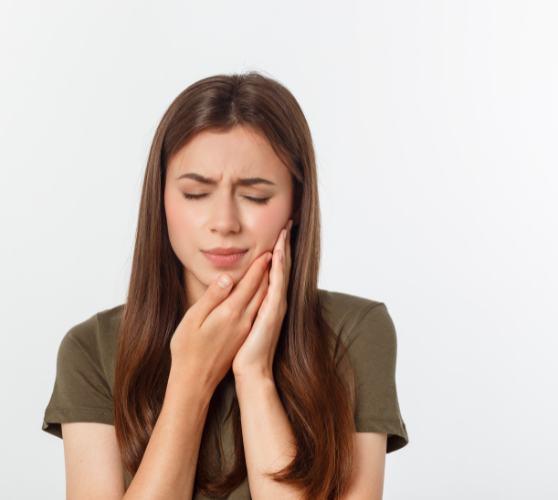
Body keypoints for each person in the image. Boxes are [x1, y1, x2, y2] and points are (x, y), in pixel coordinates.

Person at [42, 72, 408, 500]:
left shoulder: (357, 332)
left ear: (297, 202)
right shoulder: (92, 350)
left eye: (255, 196)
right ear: (161, 200)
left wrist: (254, 375)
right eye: (196, 193)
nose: (224, 223)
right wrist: (191, 378)